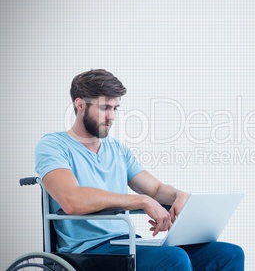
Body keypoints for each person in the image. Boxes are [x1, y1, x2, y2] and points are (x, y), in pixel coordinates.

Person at [35, 69, 244, 270]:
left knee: (229, 254)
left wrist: (180, 196)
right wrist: (141, 201)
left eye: (115, 108)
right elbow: (72, 200)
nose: (112, 116)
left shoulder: (117, 149)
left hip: (126, 243)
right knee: (173, 259)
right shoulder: (53, 145)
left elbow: (154, 189)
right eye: (105, 108)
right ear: (80, 104)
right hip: (88, 250)